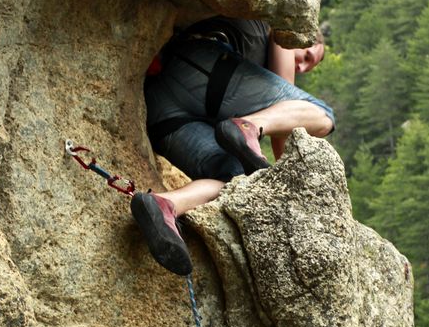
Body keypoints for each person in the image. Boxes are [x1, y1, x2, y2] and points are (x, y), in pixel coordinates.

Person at [131, 16, 334, 274]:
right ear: (301, 38)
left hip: (164, 110)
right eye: (306, 56)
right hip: (200, 65)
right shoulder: (280, 33)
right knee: (324, 114)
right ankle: (249, 125)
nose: (303, 67)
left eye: (309, 66)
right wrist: (287, 182)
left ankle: (165, 205)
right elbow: (285, 136)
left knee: (236, 181)